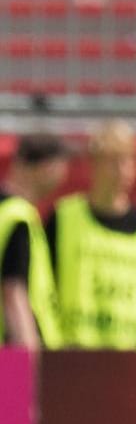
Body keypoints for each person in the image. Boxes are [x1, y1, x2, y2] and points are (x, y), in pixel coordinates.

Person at [45, 120, 136, 350]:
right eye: (112, 160)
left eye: (129, 160)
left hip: (130, 359)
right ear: (92, 163)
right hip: (70, 356)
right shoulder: (63, 218)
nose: (122, 170)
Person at [0, 133, 70, 351]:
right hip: (13, 353)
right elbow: (14, 294)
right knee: (16, 387)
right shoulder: (19, 215)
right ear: (46, 167)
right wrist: (28, 363)